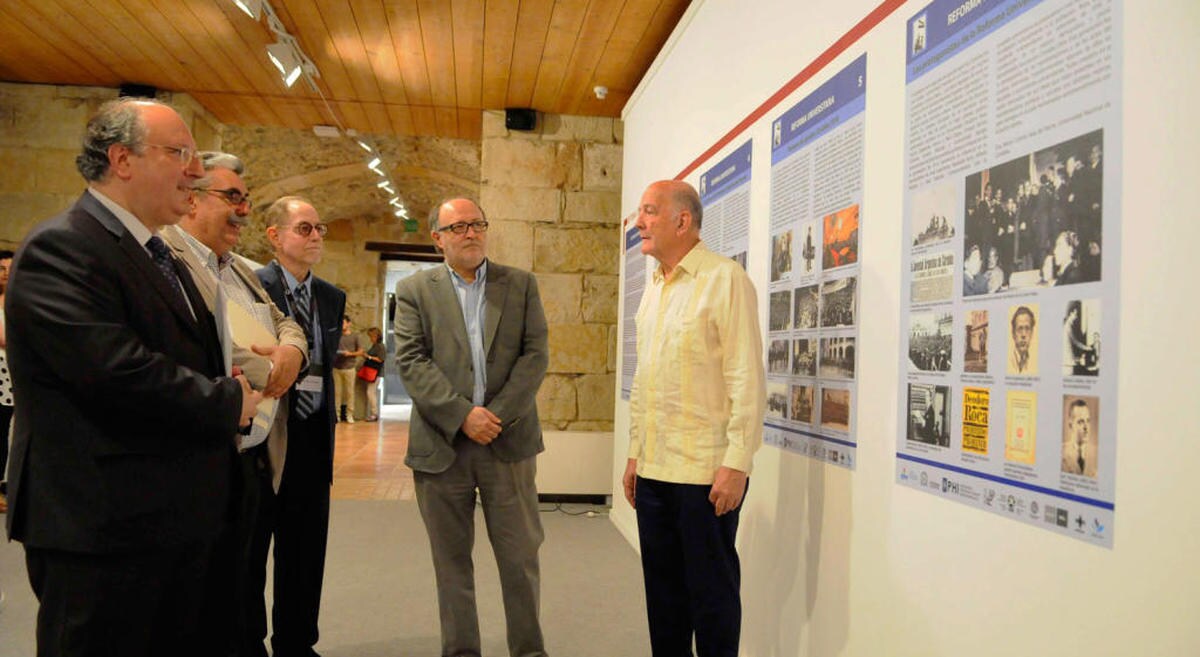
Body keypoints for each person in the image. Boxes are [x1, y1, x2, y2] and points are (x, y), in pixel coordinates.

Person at [4, 98, 260, 657]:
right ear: (122, 159)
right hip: (102, 525)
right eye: (180, 154)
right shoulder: (63, 246)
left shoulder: (152, 250)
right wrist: (227, 400)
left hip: (169, 516)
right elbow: (115, 371)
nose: (196, 171)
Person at [160, 151, 308, 656]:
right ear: (191, 200)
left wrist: (290, 350)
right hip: (206, 457)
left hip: (253, 453)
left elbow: (283, 321)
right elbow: (210, 345)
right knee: (204, 598)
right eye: (232, 198)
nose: (244, 210)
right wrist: (279, 371)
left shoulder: (239, 269)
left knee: (243, 584)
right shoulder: (168, 261)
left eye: (246, 198)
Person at [393, 198, 550, 657]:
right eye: (457, 226)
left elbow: (535, 355)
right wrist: (462, 415)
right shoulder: (414, 290)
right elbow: (412, 360)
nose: (470, 233)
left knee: (520, 558)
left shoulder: (520, 285)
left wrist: (493, 416)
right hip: (442, 445)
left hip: (508, 439)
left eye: (477, 223)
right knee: (452, 563)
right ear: (437, 237)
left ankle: (529, 651)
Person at [623, 180, 766, 657]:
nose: (638, 222)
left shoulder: (725, 279)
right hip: (655, 471)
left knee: (712, 601)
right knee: (663, 602)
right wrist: (634, 454)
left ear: (682, 221)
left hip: (706, 475)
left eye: (648, 212)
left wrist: (737, 462)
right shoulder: (654, 289)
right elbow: (646, 381)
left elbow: (746, 378)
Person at [251, 196, 346, 657]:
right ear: (275, 235)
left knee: (306, 551)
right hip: (265, 437)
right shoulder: (252, 284)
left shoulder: (330, 296)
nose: (315, 238)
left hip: (313, 438)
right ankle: (248, 643)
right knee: (252, 550)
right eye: (304, 229)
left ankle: (297, 643)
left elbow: (324, 367)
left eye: (319, 229)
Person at [333, 314, 365, 423]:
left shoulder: (355, 336)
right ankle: (336, 415)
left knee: (350, 393)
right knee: (337, 393)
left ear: (349, 323)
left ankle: (349, 415)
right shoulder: (336, 336)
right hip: (336, 367)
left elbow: (361, 351)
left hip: (350, 367)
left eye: (343, 322)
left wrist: (350, 353)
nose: (341, 325)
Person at [0, 249, 13, 514]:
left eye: (11, 267)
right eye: (2, 268)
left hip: (14, 374)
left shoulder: (19, 297)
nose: (7, 273)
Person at [1060, 399, 1097, 477]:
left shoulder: (1097, 453)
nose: (1086, 427)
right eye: (1081, 422)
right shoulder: (1060, 452)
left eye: (1088, 420)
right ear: (1070, 424)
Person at [362, 327, 386, 421]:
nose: (370, 338)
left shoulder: (380, 346)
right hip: (372, 372)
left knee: (370, 392)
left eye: (371, 336)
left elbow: (380, 359)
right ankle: (373, 413)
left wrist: (369, 357)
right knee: (371, 392)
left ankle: (374, 413)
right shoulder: (374, 345)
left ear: (376, 336)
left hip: (376, 372)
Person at [1008, 305, 1038, 375]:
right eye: (1020, 328)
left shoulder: (1033, 363)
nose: (1023, 335)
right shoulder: (1008, 361)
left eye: (1027, 328)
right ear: (1013, 333)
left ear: (1032, 333)